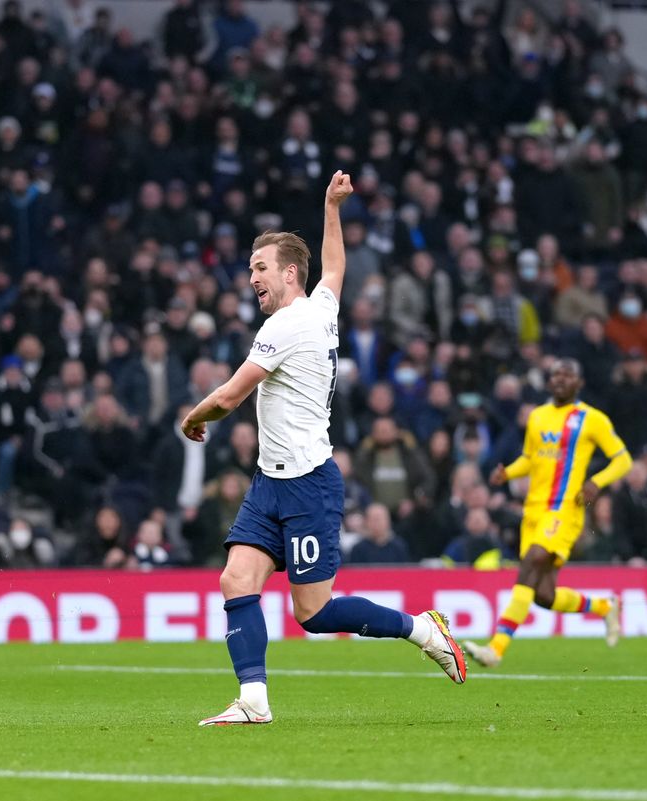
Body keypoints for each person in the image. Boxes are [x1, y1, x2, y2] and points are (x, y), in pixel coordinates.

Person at [182, 172, 466, 727]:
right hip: (270, 481)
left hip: (308, 484)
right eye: (249, 271)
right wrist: (331, 208)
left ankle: (423, 630)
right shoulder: (320, 308)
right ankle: (253, 701)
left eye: (259, 269)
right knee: (235, 580)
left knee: (313, 613)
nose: (251, 279)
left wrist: (193, 418)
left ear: (288, 273)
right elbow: (333, 267)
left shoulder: (286, 325)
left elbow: (232, 395)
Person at [464, 358, 631, 668]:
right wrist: (509, 473)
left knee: (530, 562)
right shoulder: (538, 416)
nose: (560, 379)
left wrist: (596, 481)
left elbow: (623, 460)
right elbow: (531, 458)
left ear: (579, 383)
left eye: (568, 375)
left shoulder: (592, 419)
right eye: (556, 374)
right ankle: (605, 606)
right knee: (543, 595)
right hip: (534, 510)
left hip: (565, 509)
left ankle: (496, 648)